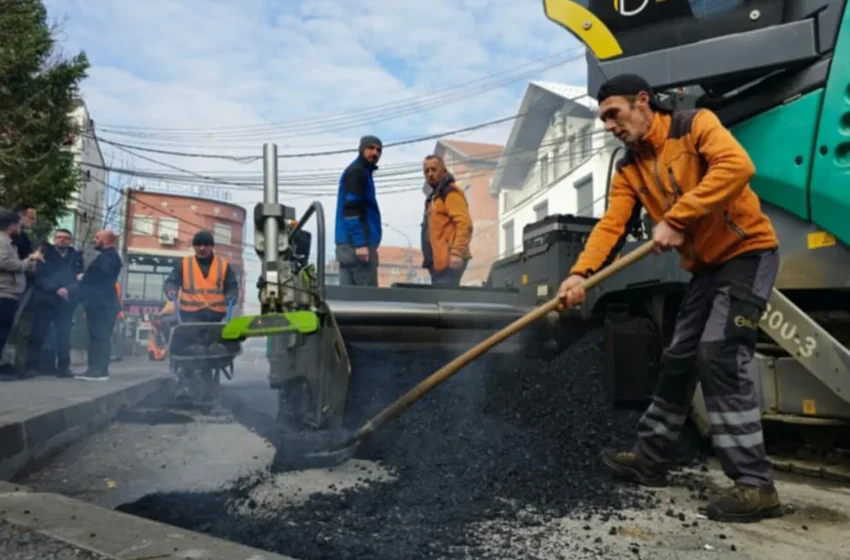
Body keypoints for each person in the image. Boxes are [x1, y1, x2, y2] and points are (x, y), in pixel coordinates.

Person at [558, 74, 782, 523]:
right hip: (703, 268)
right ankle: (651, 459)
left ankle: (756, 486)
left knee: (718, 352)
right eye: (603, 118)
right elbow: (611, 225)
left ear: (643, 102)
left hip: (747, 252)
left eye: (613, 114)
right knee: (678, 357)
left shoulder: (694, 125)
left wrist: (678, 217)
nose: (608, 125)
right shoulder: (628, 166)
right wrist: (580, 273)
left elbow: (736, 168)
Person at [22, 228, 83, 378]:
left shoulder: (75, 257)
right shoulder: (45, 254)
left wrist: (68, 289)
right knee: (38, 333)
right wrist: (56, 289)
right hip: (46, 300)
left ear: (70, 241)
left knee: (64, 335)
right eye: (59, 237)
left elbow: (80, 278)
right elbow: (40, 277)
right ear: (54, 239)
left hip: (67, 302)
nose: (62, 240)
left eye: (66, 238)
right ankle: (31, 367)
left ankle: (63, 368)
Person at [334, 135, 383, 286]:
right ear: (362, 149)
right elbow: (351, 208)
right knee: (367, 303)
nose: (375, 153)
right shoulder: (358, 172)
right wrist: (360, 244)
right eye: (371, 148)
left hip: (348, 247)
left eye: (378, 150)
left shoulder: (361, 172)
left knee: (349, 301)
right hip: (357, 249)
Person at [0, 210, 44, 379]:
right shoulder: (3, 241)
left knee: (5, 331)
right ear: (11, 225)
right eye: (18, 224)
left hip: (11, 292)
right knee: (2, 330)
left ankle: (4, 365)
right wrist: (28, 261)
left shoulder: (9, 242)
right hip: (4, 292)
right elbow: (4, 262)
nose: (20, 227)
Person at [76, 230, 123, 381]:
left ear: (107, 241)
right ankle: (95, 369)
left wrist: (84, 277)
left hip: (102, 304)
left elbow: (103, 277)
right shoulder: (107, 256)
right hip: (101, 303)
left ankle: (98, 370)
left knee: (99, 337)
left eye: (97, 238)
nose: (94, 240)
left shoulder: (109, 257)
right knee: (98, 337)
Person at [419, 154, 473, 286]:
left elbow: (464, 224)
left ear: (444, 172)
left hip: (449, 261)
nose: (430, 174)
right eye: (427, 171)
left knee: (445, 302)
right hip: (439, 263)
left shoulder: (449, 192)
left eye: (434, 169)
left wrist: (457, 252)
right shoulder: (435, 196)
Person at [163, 230, 239, 323]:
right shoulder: (184, 264)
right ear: (194, 247)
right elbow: (171, 281)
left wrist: (232, 295)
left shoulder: (223, 265)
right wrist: (171, 290)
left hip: (217, 316)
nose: (202, 248)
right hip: (190, 315)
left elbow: (231, 285)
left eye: (206, 245)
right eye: (198, 245)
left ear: (212, 246)